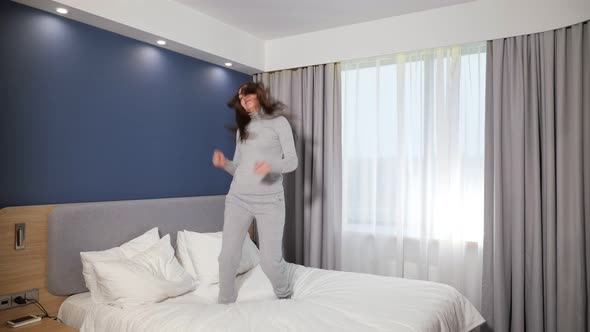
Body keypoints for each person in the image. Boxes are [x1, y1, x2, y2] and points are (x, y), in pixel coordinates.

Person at [212, 82, 298, 304]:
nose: (243, 100)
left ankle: (284, 295)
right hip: (238, 199)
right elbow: (238, 167)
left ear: (259, 94)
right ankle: (225, 303)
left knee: (270, 261)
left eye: (246, 95)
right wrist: (225, 164)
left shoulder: (279, 123)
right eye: (240, 98)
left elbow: (292, 161)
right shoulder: (244, 128)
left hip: (270, 201)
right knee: (227, 257)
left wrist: (270, 165)